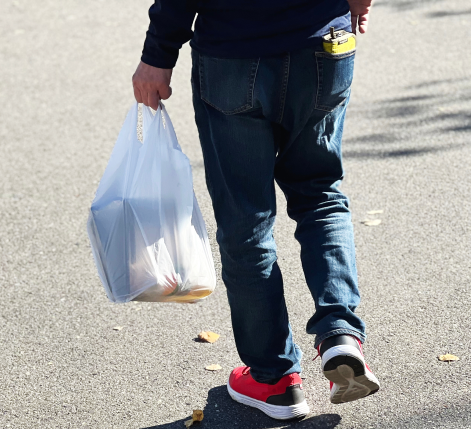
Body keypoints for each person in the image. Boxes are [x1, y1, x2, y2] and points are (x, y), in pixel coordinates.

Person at [132, 0, 380, 421]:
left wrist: (158, 53)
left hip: (235, 52)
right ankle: (340, 333)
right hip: (323, 45)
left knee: (246, 220)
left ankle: (274, 379)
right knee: (319, 195)